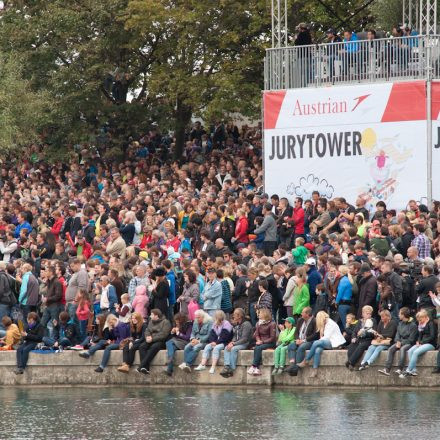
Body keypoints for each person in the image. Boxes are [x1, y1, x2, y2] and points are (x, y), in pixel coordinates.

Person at [378, 307, 417, 376]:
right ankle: (387, 369)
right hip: (400, 342)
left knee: (403, 349)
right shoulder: (400, 323)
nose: (398, 315)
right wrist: (398, 341)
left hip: (408, 343)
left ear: (403, 315)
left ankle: (400, 368)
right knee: (390, 349)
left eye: (399, 314)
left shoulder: (413, 325)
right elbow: (397, 334)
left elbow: (411, 339)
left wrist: (401, 343)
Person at [400, 309, 436, 378]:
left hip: (430, 344)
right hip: (422, 343)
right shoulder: (420, 324)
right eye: (419, 320)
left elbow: (432, 336)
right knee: (410, 351)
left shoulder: (431, 323)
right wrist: (418, 341)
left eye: (421, 319)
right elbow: (419, 335)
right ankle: (413, 370)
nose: (420, 321)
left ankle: (408, 370)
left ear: (425, 317)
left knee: (416, 352)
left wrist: (422, 342)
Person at [194, 310, 232, 374]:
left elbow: (224, 336)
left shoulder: (226, 324)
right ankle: (202, 364)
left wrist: (216, 343)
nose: (216, 321)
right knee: (207, 346)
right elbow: (211, 335)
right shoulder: (215, 324)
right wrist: (212, 342)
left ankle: (213, 367)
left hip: (225, 342)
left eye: (218, 319)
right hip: (217, 342)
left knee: (216, 348)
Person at [220, 308, 253, 378]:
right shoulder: (237, 324)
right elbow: (235, 336)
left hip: (245, 343)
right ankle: (226, 366)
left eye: (235, 314)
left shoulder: (246, 324)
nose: (233, 316)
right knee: (227, 347)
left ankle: (231, 369)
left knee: (233, 349)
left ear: (239, 316)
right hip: (238, 343)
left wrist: (234, 344)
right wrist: (232, 342)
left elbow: (244, 339)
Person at [137, 308, 171, 374]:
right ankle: (145, 368)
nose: (150, 316)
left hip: (161, 341)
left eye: (152, 314)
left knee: (154, 347)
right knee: (142, 346)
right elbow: (147, 331)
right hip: (150, 339)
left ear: (156, 315)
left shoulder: (166, 322)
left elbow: (164, 334)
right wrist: (147, 337)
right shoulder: (151, 322)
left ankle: (141, 365)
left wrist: (152, 338)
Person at [285, 307, 318, 372]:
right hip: (299, 340)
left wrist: (303, 341)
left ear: (307, 314)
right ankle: (292, 365)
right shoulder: (300, 320)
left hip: (309, 341)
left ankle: (296, 366)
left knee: (301, 347)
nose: (301, 313)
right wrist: (297, 339)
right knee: (291, 345)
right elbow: (296, 332)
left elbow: (315, 335)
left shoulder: (314, 321)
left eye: (302, 312)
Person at [346, 305, 376, 370]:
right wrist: (354, 337)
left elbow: (373, 334)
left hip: (368, 340)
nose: (369, 315)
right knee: (352, 345)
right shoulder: (360, 321)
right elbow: (354, 332)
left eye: (370, 313)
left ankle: (350, 362)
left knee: (361, 346)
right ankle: (351, 363)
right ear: (363, 313)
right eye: (367, 313)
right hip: (359, 338)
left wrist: (364, 333)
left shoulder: (373, 321)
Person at [247, 308, 276, 376]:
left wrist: (262, 342)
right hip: (260, 342)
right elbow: (257, 334)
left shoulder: (272, 324)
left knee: (258, 348)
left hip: (270, 343)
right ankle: (256, 368)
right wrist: (258, 340)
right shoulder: (258, 323)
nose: (258, 314)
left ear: (264, 314)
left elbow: (272, 338)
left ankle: (254, 366)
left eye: (259, 313)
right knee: (257, 347)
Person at [335, 265, 353, 330]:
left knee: (345, 323)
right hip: (348, 303)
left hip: (343, 304)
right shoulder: (348, 279)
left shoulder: (343, 280)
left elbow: (340, 292)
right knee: (342, 322)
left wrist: (336, 302)